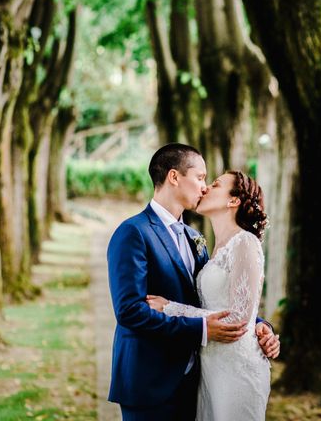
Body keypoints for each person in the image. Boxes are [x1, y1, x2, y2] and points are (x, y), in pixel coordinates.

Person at [107, 143, 280, 420]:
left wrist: (261, 327)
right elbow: (129, 310)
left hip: (197, 381)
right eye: (200, 178)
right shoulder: (132, 232)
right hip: (150, 382)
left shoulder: (195, 238)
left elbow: (214, 300)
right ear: (174, 177)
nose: (204, 187)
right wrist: (200, 328)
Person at [146, 169, 272, 421]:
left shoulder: (245, 242)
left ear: (233, 200)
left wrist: (170, 308)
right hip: (211, 366)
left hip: (237, 369)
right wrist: (262, 326)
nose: (205, 188)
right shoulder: (211, 247)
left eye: (214, 184)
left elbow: (238, 319)